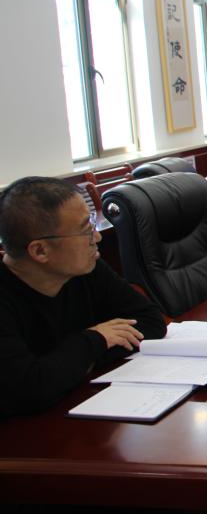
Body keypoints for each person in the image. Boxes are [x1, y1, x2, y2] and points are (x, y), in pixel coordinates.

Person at [0, 177, 166, 418]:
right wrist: (95, 340)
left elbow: (150, 321)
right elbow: (29, 390)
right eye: (86, 231)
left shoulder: (85, 269)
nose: (97, 238)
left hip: (88, 408)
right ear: (40, 250)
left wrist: (74, 364)